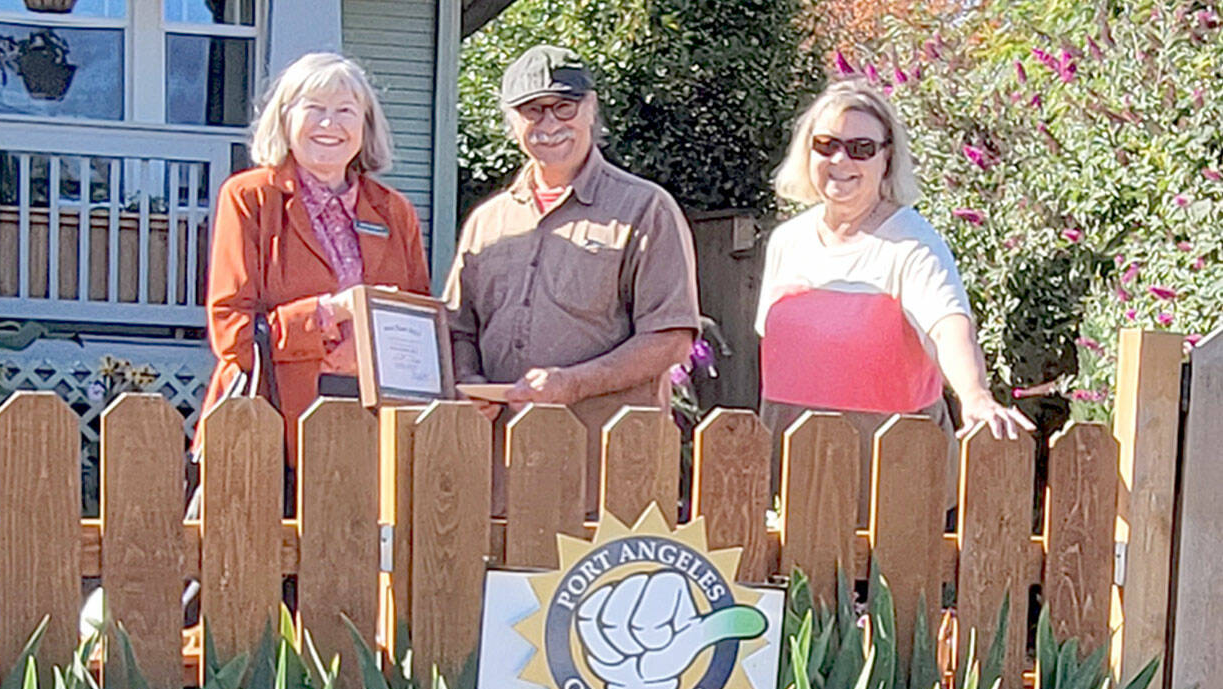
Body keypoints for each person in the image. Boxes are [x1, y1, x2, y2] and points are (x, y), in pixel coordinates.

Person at [757, 78, 1033, 516]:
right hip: (796, 483)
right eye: (826, 145)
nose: (840, 159)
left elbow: (948, 327)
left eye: (861, 148)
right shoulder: (787, 241)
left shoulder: (913, 242)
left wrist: (976, 395)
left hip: (892, 485)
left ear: (887, 158)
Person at [446, 45, 700, 511]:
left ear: (591, 110)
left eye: (565, 107)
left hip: (605, 483)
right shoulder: (487, 221)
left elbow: (670, 338)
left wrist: (573, 383)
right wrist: (468, 382)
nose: (549, 124)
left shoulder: (645, 209)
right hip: (501, 482)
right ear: (511, 121)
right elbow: (459, 328)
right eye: (531, 111)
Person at [193, 52, 431, 470]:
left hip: (371, 435)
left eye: (345, 111)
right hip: (264, 430)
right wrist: (329, 313)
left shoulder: (396, 213)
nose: (329, 124)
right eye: (314, 109)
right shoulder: (249, 198)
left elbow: (420, 333)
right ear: (285, 119)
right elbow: (231, 330)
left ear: (365, 125)